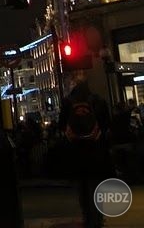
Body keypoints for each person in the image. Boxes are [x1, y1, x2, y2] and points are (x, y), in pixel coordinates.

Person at [58, 75, 112, 228]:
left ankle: (87, 216)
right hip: (95, 150)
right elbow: (106, 124)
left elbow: (61, 125)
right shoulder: (98, 101)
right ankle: (98, 218)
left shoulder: (68, 102)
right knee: (95, 185)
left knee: (82, 186)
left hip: (76, 152)